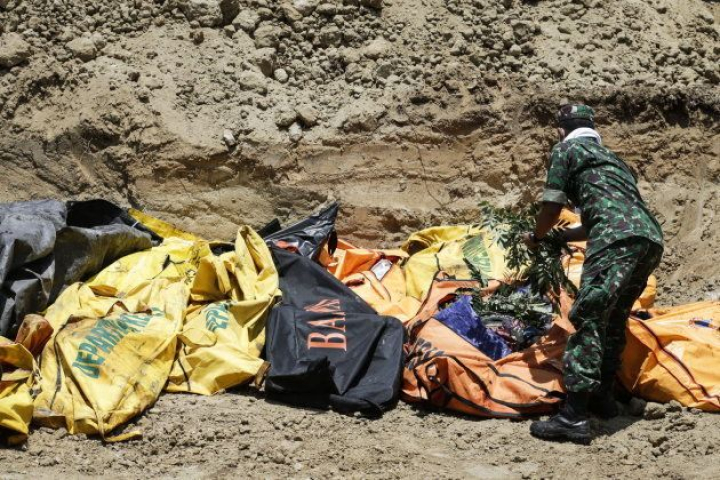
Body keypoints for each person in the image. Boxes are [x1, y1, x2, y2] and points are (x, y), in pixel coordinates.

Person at [523, 104, 664, 444]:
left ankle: (573, 417)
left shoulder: (566, 150)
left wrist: (537, 236)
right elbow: (597, 220)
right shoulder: (612, 159)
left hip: (615, 240)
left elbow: (551, 206)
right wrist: (558, 238)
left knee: (587, 315)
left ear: (562, 130)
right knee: (613, 318)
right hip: (649, 239)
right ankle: (603, 398)